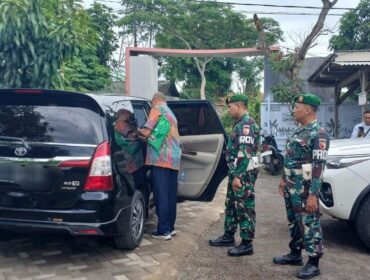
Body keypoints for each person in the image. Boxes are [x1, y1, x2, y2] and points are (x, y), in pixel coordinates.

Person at [273, 93, 330, 279]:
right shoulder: (298, 131)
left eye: (297, 107)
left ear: (307, 109)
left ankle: (314, 262)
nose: (294, 110)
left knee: (310, 223)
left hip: (306, 190)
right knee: (294, 221)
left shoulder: (319, 133)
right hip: (291, 185)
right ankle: (295, 254)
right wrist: (283, 178)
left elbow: (318, 167)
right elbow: (291, 159)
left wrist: (314, 194)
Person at [209, 94, 260, 257]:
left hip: (243, 174)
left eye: (230, 107)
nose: (228, 110)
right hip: (236, 173)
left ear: (238, 105)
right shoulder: (239, 124)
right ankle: (228, 236)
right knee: (231, 205)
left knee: (244, 207)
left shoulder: (247, 125)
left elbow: (245, 153)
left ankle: (246, 244)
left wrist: (237, 176)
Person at [137, 92, 181, 241]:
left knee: (160, 194)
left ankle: (163, 230)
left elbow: (147, 131)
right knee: (170, 194)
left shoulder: (156, 109)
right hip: (174, 159)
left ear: (154, 100)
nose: (151, 105)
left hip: (161, 159)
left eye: (151, 102)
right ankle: (170, 228)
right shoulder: (171, 113)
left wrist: (135, 130)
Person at [114, 108, 144, 175]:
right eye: (129, 114)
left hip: (130, 154)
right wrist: (140, 131)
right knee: (138, 176)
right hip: (131, 154)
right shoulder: (121, 123)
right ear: (123, 114)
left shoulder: (121, 123)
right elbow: (131, 136)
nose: (130, 116)